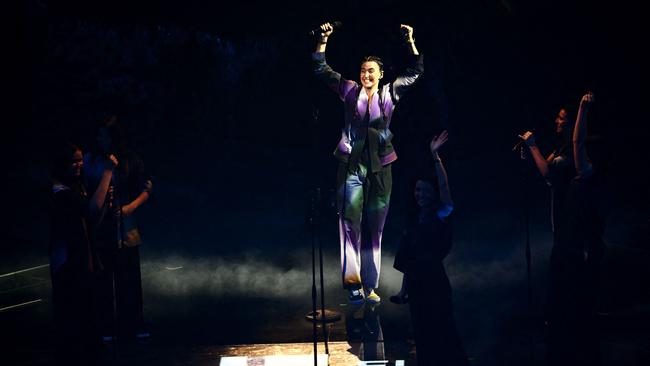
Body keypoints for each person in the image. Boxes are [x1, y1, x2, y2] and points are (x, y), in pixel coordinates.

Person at [312, 22, 424, 303]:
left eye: (371, 71)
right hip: (351, 167)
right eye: (363, 71)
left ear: (381, 74)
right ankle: (353, 285)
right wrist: (323, 40)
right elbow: (321, 69)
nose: (366, 75)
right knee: (349, 225)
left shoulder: (390, 93)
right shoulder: (349, 91)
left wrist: (410, 41)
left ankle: (370, 286)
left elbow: (416, 70)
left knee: (376, 228)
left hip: (381, 168)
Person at [393, 131, 469, 366]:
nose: (421, 195)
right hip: (417, 288)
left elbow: (445, 188)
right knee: (424, 339)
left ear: (433, 193)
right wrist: (404, 290)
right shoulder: (413, 223)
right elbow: (407, 260)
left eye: (426, 190)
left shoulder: (441, 215)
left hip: (435, 285)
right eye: (418, 190)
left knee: (444, 335)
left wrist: (435, 157)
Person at [84, 115, 153, 341]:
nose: (99, 139)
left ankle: (132, 325)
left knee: (129, 281)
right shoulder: (91, 161)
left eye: (103, 135)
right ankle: (105, 327)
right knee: (103, 281)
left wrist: (129, 208)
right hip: (101, 229)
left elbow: (147, 187)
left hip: (126, 230)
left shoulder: (130, 159)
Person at [49, 141, 117, 365]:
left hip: (82, 264)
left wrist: (104, 201)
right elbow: (91, 209)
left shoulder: (76, 188)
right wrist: (107, 173)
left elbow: (91, 221)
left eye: (80, 160)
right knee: (76, 327)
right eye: (74, 161)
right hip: (69, 267)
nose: (79, 165)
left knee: (87, 323)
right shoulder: (60, 193)